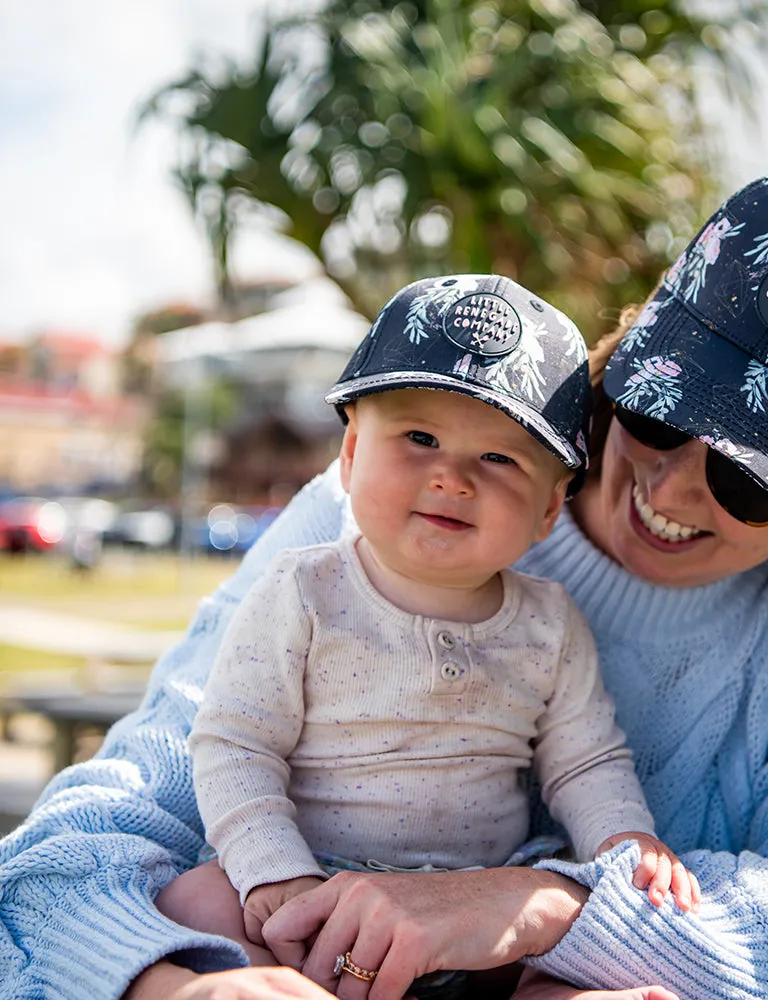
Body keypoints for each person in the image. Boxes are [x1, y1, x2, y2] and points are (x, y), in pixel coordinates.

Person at [3, 167, 768, 1000]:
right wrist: (172, 984)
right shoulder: (379, 513)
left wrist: (543, 910)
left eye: (749, 477)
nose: (669, 484)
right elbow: (68, 860)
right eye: (656, 412)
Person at [153, 275, 693, 979]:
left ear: (547, 512)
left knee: (578, 930)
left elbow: (585, 763)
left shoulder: (548, 624)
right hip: (312, 880)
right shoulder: (305, 590)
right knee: (194, 901)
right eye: (420, 437)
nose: (454, 477)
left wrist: (629, 845)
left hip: (476, 899)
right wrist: (274, 874)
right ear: (349, 458)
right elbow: (235, 744)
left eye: (499, 458)